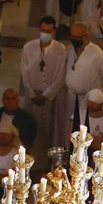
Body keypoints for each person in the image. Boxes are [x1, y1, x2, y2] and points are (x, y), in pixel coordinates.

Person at [21, 17, 71, 167]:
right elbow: (24, 72)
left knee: (50, 131)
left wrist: (46, 95)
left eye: (48, 31)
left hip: (50, 98)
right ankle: (29, 161)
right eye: (43, 31)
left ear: (54, 31)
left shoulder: (61, 49)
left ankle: (47, 164)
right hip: (33, 97)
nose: (45, 33)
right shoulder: (28, 47)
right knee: (31, 129)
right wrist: (31, 93)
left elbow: (61, 75)